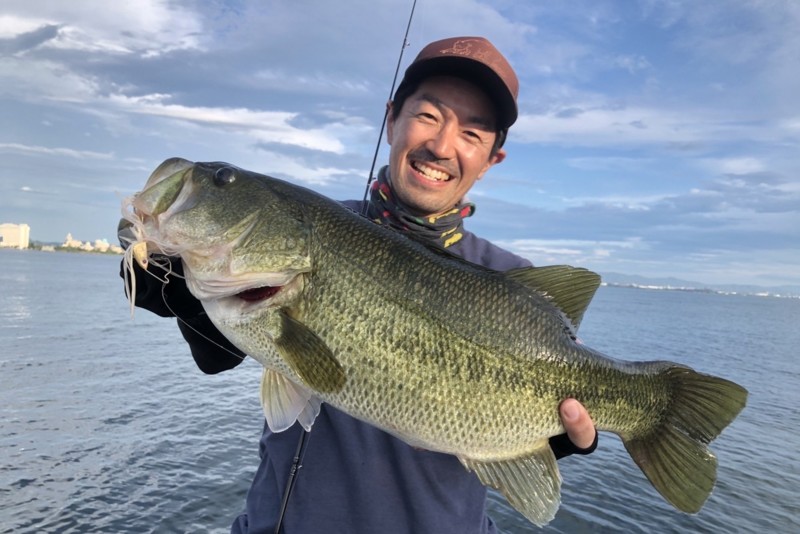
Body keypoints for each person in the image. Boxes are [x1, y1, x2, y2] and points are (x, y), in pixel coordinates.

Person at [121, 36, 598, 534]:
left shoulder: (512, 287)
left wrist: (558, 433)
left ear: (492, 158)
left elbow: (565, 394)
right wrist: (176, 292)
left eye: (473, 133)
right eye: (429, 116)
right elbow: (218, 355)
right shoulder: (315, 225)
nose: (441, 145)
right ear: (391, 119)